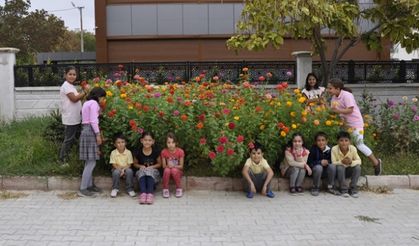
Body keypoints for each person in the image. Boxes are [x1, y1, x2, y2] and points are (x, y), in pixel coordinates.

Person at [327, 78, 382, 175]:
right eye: (328, 88)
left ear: (337, 88)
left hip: (355, 123)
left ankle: (376, 162)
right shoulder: (334, 98)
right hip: (345, 124)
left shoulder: (347, 95)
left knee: (359, 145)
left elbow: (350, 110)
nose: (328, 90)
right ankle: (348, 168)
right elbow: (335, 112)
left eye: (330, 88)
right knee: (344, 144)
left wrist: (336, 111)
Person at [78, 87, 106, 197]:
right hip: (91, 131)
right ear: (98, 96)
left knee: (88, 161)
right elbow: (94, 121)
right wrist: (98, 135)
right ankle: (83, 188)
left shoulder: (86, 102)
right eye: (102, 97)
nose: (103, 100)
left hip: (85, 130)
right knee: (92, 161)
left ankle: (89, 185)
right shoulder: (94, 103)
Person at [59, 66, 88, 165]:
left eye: (74, 74)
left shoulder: (71, 86)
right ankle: (63, 160)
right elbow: (74, 99)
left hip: (75, 117)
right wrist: (85, 92)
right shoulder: (66, 86)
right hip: (70, 118)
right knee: (68, 139)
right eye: (70, 74)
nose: (72, 76)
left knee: (72, 139)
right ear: (65, 75)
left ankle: (70, 157)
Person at [133, 131, 162, 205]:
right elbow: (135, 164)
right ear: (141, 140)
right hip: (142, 172)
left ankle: (150, 194)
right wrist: (140, 166)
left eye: (149, 140)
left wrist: (152, 167)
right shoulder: (138, 151)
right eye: (145, 140)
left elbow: (159, 164)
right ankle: (143, 193)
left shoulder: (155, 151)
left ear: (153, 141)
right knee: (142, 172)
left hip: (153, 173)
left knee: (149, 171)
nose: (147, 142)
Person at [331, 131, 362, 198]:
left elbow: (359, 161)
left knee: (358, 167)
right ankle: (343, 190)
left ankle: (353, 189)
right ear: (338, 142)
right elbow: (333, 163)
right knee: (340, 167)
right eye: (341, 140)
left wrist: (351, 162)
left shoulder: (353, 148)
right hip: (339, 172)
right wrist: (342, 162)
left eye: (346, 140)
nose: (344, 143)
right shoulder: (334, 149)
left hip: (349, 170)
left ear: (349, 142)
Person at [307, 132, 337, 196]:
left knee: (332, 166)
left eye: (323, 140)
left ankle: (330, 187)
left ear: (327, 141)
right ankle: (315, 187)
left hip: (326, 172)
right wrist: (320, 162)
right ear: (315, 142)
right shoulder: (313, 149)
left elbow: (334, 160)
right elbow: (309, 162)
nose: (321, 142)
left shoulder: (330, 149)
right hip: (316, 172)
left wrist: (328, 162)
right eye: (319, 140)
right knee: (318, 167)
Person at [109, 134, 136, 198]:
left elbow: (129, 164)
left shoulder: (128, 152)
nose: (121, 144)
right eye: (118, 143)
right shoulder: (113, 152)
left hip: (126, 168)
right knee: (116, 172)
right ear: (115, 144)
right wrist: (119, 170)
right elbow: (113, 164)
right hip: (116, 168)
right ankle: (115, 189)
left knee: (129, 171)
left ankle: (130, 189)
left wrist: (123, 170)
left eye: (122, 142)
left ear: (125, 143)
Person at [161, 132, 185, 198]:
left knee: (174, 170)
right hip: (168, 170)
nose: (171, 144)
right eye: (169, 142)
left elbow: (181, 166)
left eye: (173, 142)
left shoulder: (180, 151)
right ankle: (165, 189)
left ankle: (178, 188)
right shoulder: (164, 152)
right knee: (167, 170)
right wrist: (168, 166)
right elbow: (163, 166)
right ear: (166, 143)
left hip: (177, 171)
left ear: (176, 143)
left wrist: (173, 166)